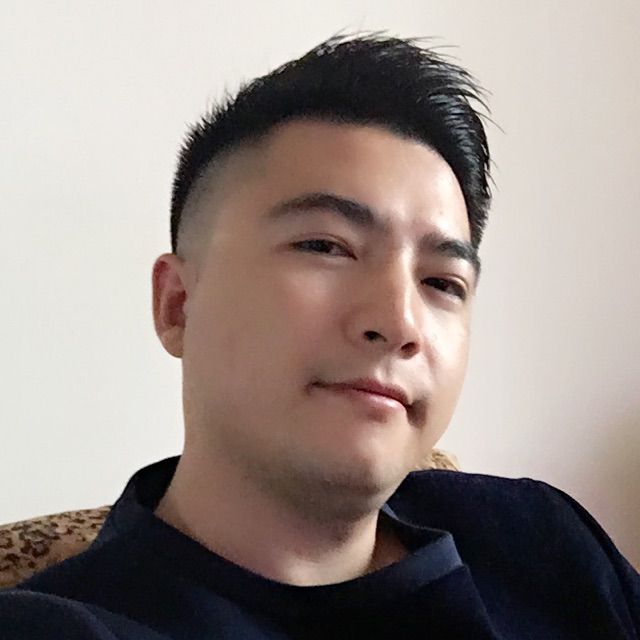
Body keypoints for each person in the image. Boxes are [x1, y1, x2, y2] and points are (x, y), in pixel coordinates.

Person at [1, 32, 638, 639]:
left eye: (442, 282)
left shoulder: (541, 542)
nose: (399, 322)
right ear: (179, 304)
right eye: (325, 246)